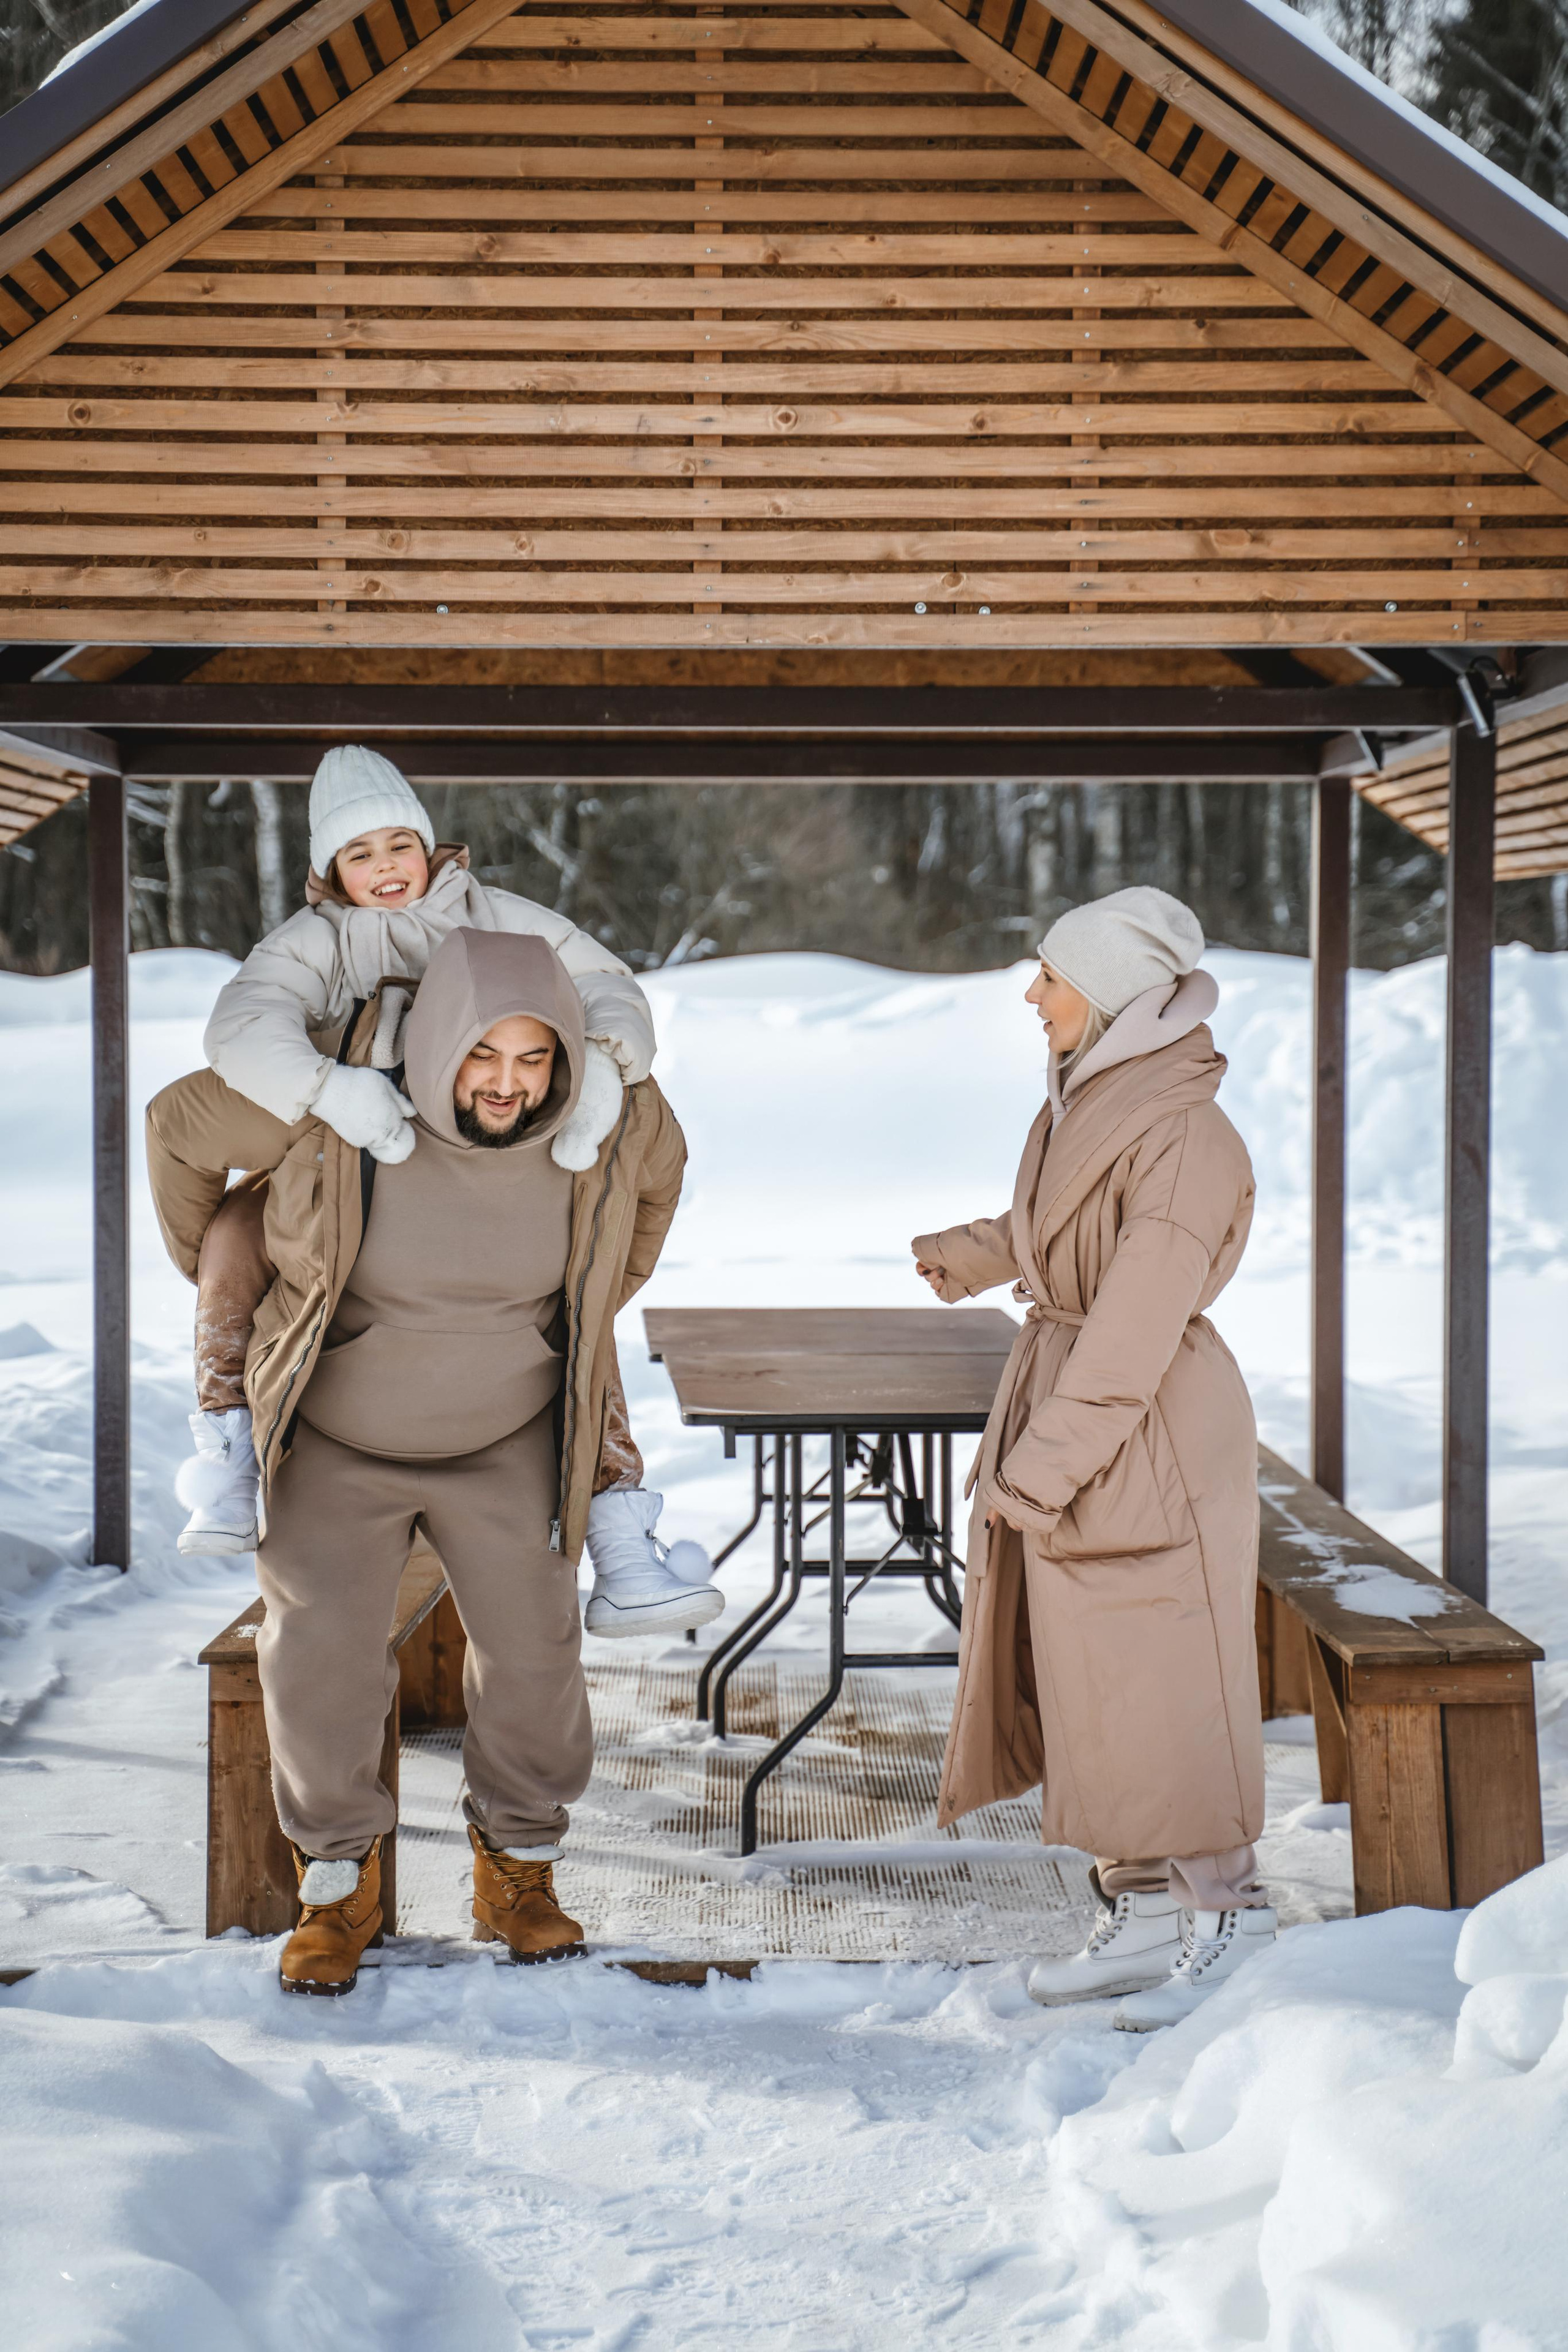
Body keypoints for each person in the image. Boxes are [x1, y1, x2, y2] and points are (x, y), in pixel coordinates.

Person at [146, 927, 691, 1992]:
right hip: (339, 1435)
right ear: (435, 1040)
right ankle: (336, 1889)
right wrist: (245, 1280)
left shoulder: (609, 1115)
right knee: (319, 1666)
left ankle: (518, 1874)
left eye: (536, 1059)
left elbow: (658, 1187)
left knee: (537, 1658)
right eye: (484, 1055)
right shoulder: (340, 1094)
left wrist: (565, 1317)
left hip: (507, 1435)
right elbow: (176, 1131)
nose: (508, 1084)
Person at [173, 743, 714, 1638]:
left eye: (399, 845)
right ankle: (229, 1440)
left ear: (431, 848)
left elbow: (607, 985)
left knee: (574, 1288)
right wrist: (325, 1091)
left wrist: (607, 1074)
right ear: (331, 872)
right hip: (343, 1145)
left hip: (486, 1136)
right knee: (238, 1230)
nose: (385, 869)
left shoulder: (497, 915)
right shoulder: (318, 940)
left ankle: (621, 1525)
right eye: (360, 856)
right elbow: (244, 1018)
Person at [911, 887, 1275, 2032]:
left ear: (1109, 994)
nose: (1032, 994)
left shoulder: (1183, 1132)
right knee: (1093, 1679)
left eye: (1049, 976)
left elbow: (1133, 1322)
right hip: (1090, 1412)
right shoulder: (1097, 1098)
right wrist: (978, 1253)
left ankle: (1228, 1910)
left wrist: (1044, 1463)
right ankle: (1146, 1903)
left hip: (1143, 1431)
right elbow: (1071, 1228)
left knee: (1167, 1674)